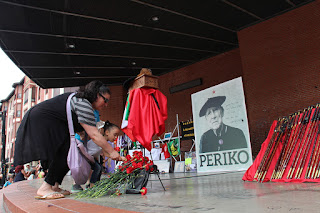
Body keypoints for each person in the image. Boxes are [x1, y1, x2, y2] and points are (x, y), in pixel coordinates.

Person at [14, 80, 122, 200]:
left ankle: (54, 185)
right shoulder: (84, 104)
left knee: (68, 152)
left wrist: (109, 151)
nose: (106, 104)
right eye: (105, 100)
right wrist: (112, 152)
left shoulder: (85, 105)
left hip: (50, 123)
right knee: (65, 151)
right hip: (42, 121)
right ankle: (45, 187)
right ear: (97, 95)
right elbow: (94, 135)